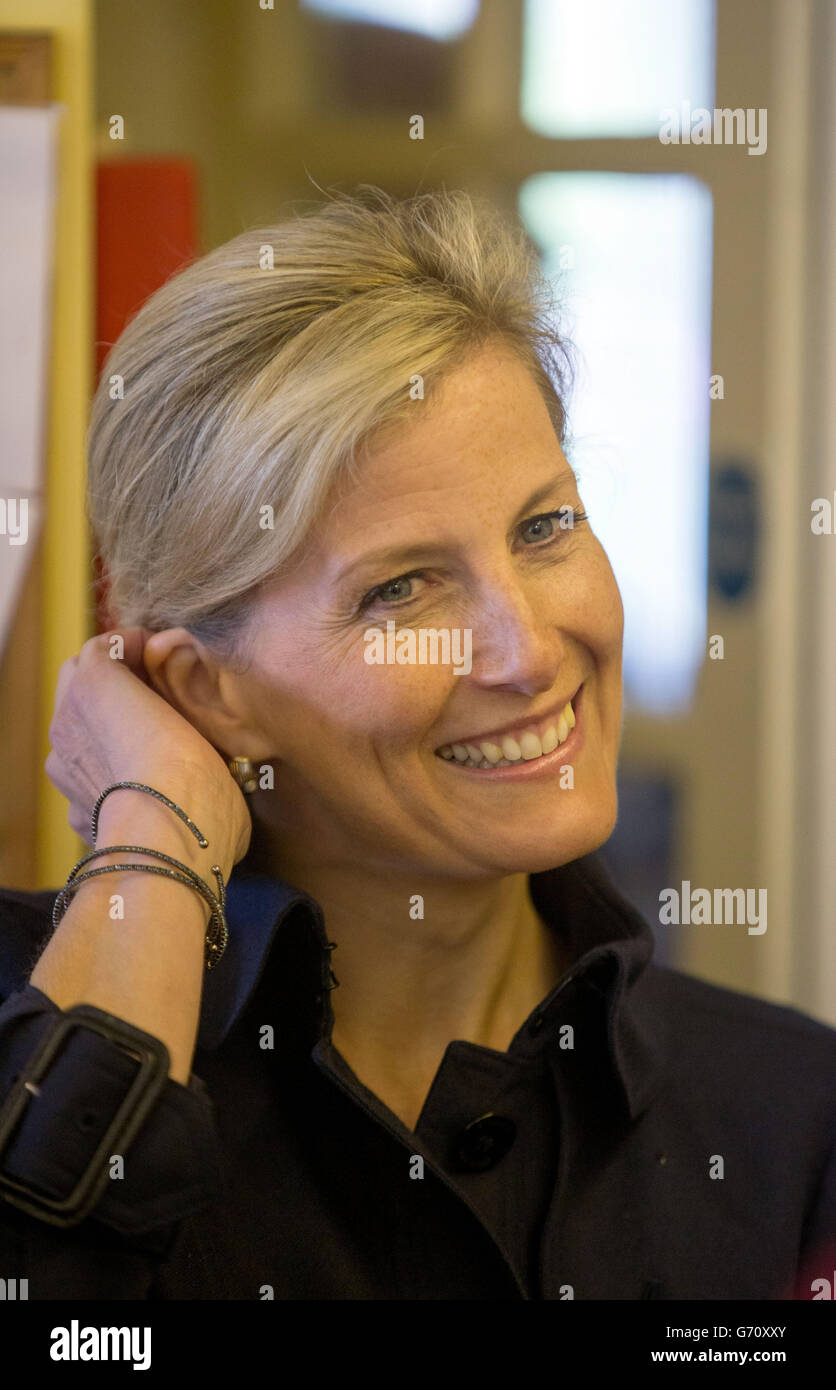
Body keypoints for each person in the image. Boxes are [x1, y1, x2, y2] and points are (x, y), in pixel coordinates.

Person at [0, 186, 833, 1301]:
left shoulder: (789, 1114)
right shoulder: (35, 1045)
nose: (529, 653)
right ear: (207, 688)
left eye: (544, 527)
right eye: (400, 588)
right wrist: (149, 827)